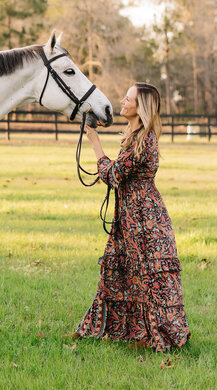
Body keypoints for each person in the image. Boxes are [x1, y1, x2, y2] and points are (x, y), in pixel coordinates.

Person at [73, 82, 190, 351]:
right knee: (120, 273)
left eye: (128, 99)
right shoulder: (135, 134)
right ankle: (112, 329)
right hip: (131, 216)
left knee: (146, 276)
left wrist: (95, 144)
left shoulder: (145, 139)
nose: (122, 101)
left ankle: (151, 335)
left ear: (141, 108)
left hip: (144, 220)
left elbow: (113, 176)